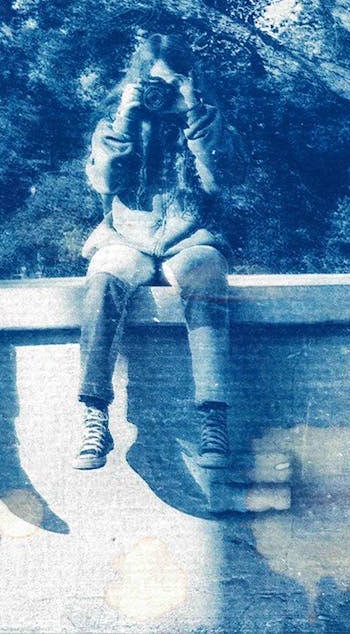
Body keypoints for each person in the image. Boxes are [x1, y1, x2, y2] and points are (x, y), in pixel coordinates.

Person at [73, 33, 245, 471]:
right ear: (136, 82)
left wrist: (193, 116)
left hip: (191, 238)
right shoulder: (116, 122)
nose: (159, 92)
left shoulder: (206, 119)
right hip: (125, 238)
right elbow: (105, 183)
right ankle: (94, 413)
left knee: (208, 276)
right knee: (103, 279)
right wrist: (127, 117)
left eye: (171, 82)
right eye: (152, 83)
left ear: (188, 81)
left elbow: (220, 181)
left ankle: (213, 416)